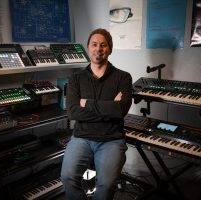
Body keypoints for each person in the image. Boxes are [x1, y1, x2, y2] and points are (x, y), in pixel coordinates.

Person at [60, 28, 132, 200]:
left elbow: (120, 110)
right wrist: (110, 108)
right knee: (67, 177)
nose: (98, 49)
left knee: (106, 185)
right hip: (81, 138)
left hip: (111, 140)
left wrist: (87, 103)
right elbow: (72, 112)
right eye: (94, 44)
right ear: (88, 47)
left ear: (110, 49)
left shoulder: (123, 77)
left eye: (103, 45)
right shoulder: (75, 78)